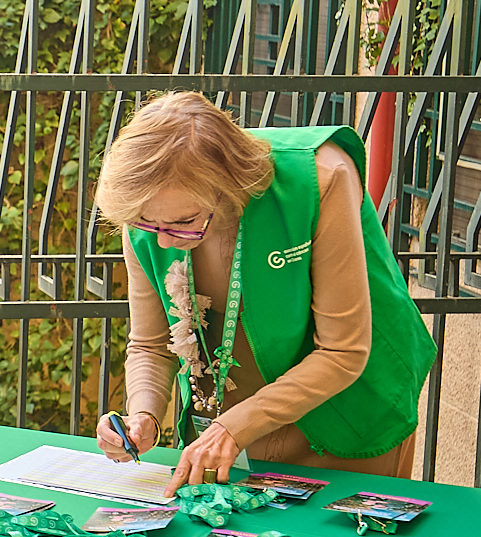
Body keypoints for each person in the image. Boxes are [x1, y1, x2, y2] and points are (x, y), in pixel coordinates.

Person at [92, 92, 435, 494]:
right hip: (235, 424)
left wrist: (235, 426)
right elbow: (151, 345)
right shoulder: (148, 210)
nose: (163, 241)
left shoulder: (322, 177)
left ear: (225, 185)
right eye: (146, 225)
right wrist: (143, 415)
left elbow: (343, 352)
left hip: (348, 411)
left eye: (183, 222)